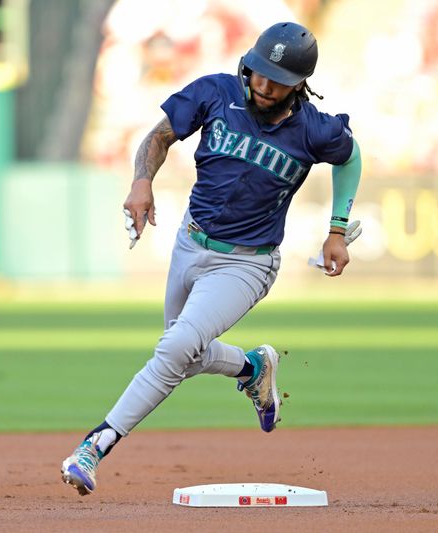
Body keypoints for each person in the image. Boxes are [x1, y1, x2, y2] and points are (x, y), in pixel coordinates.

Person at [61, 21, 362, 496]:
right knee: (184, 352)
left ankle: (95, 445)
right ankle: (251, 368)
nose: (264, 85)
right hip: (190, 243)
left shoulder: (314, 130)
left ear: (300, 84)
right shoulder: (216, 93)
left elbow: (350, 157)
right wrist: (142, 181)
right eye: (259, 73)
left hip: (248, 263)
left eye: (277, 80)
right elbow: (158, 137)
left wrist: (338, 229)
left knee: (176, 347)